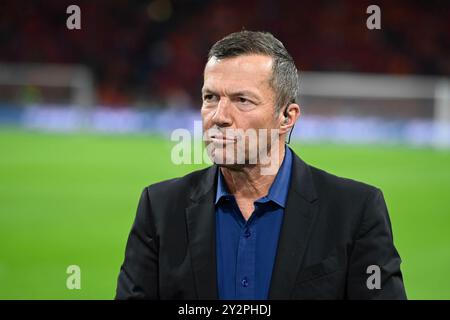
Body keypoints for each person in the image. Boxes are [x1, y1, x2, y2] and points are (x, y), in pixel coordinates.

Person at [115, 31, 406, 300]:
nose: (219, 116)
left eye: (242, 100)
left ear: (286, 118)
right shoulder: (160, 208)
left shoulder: (355, 211)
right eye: (210, 97)